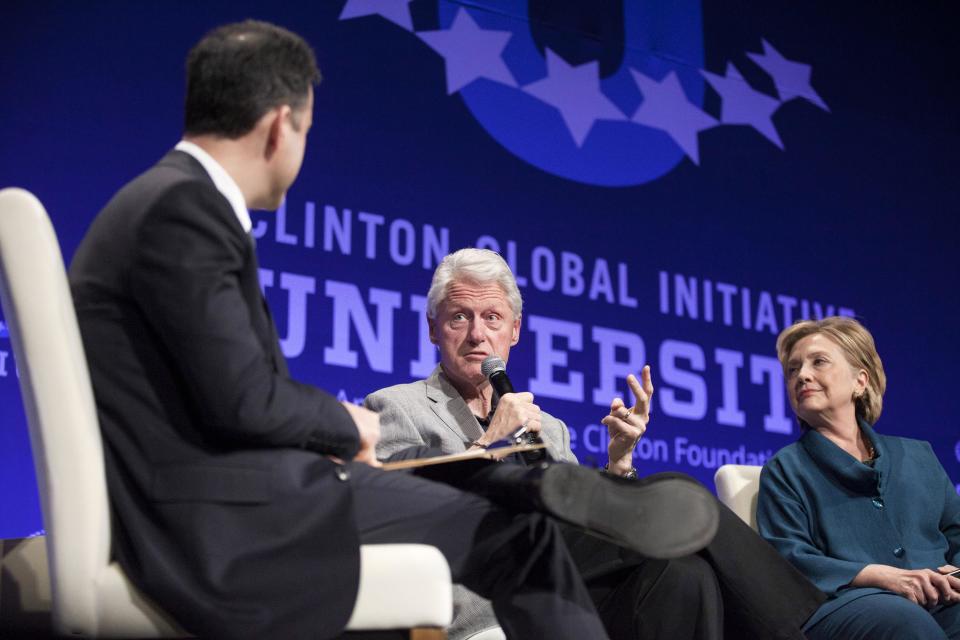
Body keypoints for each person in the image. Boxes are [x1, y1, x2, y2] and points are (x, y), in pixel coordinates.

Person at [67, 20, 719, 639]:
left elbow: (225, 397)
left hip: (238, 500)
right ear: (278, 126)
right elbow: (242, 399)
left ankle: (543, 483)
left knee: (520, 523)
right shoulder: (185, 211)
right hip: (223, 528)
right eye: (308, 130)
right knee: (520, 533)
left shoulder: (162, 202)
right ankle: (535, 485)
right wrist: (351, 424)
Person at [367, 247, 826, 640]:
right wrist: (491, 442)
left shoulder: (549, 427)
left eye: (491, 318)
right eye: (459, 318)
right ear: (433, 329)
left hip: (568, 587)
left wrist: (618, 466)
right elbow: (407, 517)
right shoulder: (395, 407)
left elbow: (584, 532)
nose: (477, 334)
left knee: (685, 574)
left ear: (515, 331)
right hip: (489, 591)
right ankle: (803, 627)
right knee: (675, 503)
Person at [757, 316, 960, 639]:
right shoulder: (785, 469)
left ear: (860, 382)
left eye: (818, 362)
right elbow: (788, 561)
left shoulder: (919, 456)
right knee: (905, 622)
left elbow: (956, 533)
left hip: (938, 599)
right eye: (792, 370)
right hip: (845, 605)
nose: (802, 375)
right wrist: (876, 575)